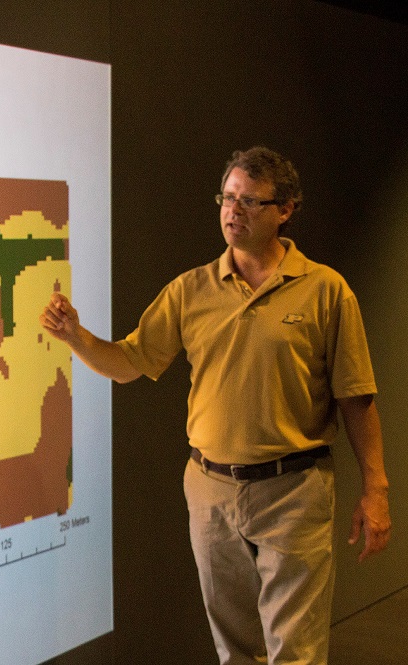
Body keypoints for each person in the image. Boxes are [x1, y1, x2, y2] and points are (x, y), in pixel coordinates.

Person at [40, 147, 391, 665]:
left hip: (294, 490)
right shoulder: (191, 290)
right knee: (235, 649)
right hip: (211, 491)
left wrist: (376, 489)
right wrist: (75, 335)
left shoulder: (325, 290)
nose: (233, 211)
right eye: (227, 198)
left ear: (286, 209)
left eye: (249, 201)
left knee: (296, 650)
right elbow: (128, 363)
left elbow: (356, 397)